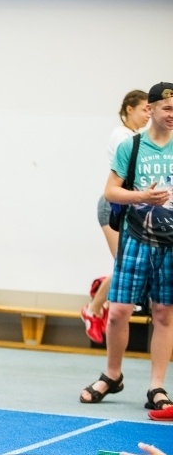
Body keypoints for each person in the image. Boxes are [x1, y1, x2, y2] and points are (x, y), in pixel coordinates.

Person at [80, 82, 173, 413]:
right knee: (119, 310)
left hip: (170, 242)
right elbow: (111, 192)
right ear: (150, 109)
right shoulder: (131, 147)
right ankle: (112, 374)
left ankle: (157, 386)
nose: (172, 115)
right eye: (167, 108)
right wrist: (142, 196)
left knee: (163, 313)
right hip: (135, 236)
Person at [81, 90, 150, 343]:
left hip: (132, 206)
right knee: (123, 262)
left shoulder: (139, 136)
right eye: (144, 109)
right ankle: (92, 310)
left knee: (132, 262)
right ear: (129, 109)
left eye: (150, 110)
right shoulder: (123, 136)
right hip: (114, 206)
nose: (148, 115)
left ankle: (105, 288)